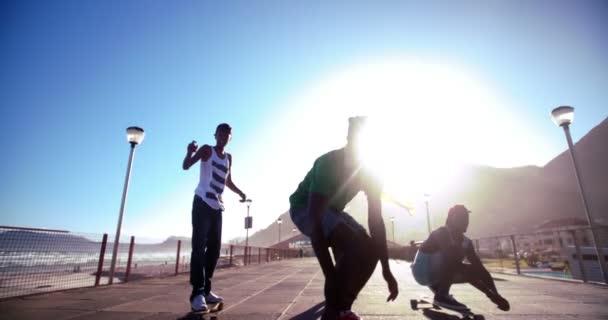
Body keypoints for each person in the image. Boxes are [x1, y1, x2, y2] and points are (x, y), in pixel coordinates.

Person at [289, 116, 399, 320]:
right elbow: (315, 221)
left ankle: (342, 309)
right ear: (347, 139)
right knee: (351, 242)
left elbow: (376, 220)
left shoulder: (373, 172)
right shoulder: (328, 163)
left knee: (369, 248)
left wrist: (386, 269)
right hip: (304, 207)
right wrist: (330, 275)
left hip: (333, 210)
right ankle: (333, 311)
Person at [182, 123, 247, 312]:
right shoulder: (206, 150)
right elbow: (186, 166)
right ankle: (197, 294)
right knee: (199, 248)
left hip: (217, 207)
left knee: (215, 251)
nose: (224, 137)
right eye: (221, 134)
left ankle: (207, 290)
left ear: (230, 138)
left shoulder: (229, 158)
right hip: (202, 203)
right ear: (215, 135)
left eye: (227, 134)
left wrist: (240, 192)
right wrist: (189, 152)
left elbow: (228, 180)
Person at [411, 205, 510, 311]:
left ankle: (439, 289)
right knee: (454, 255)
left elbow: (480, 270)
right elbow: (452, 262)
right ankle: (442, 295)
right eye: (462, 218)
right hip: (421, 272)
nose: (466, 221)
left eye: (467, 218)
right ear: (452, 218)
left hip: (436, 275)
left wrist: (494, 295)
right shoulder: (442, 233)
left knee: (475, 269)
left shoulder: (466, 242)